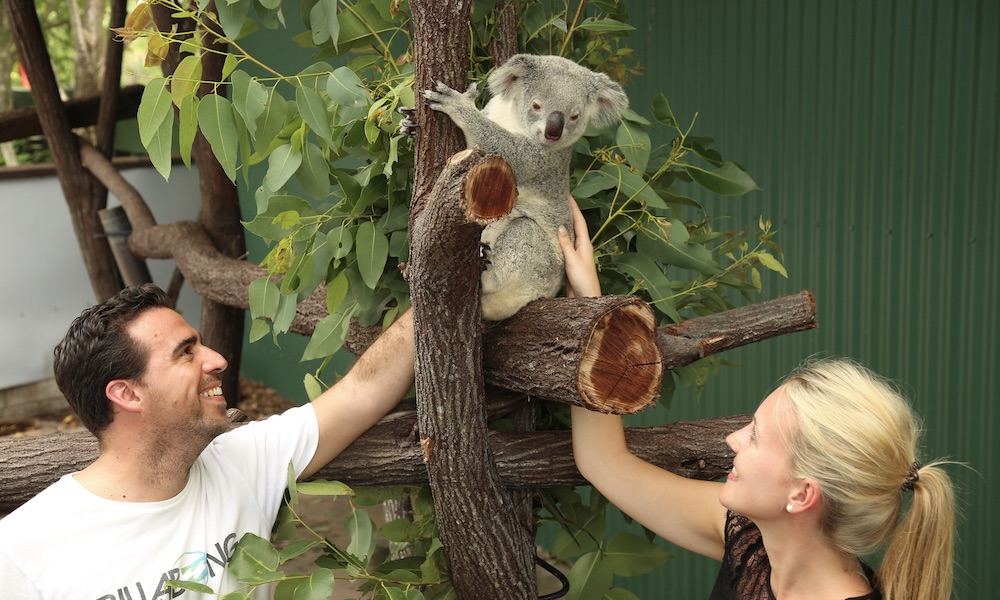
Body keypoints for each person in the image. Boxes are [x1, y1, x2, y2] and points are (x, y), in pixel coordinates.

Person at [556, 198, 958, 600]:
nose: (732, 439)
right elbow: (605, 462)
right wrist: (592, 310)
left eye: (755, 437)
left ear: (801, 495)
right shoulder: (753, 543)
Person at [0, 283, 415, 599]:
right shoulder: (22, 550)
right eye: (186, 353)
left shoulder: (242, 461)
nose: (217, 359)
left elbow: (363, 391)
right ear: (127, 394)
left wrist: (447, 279)